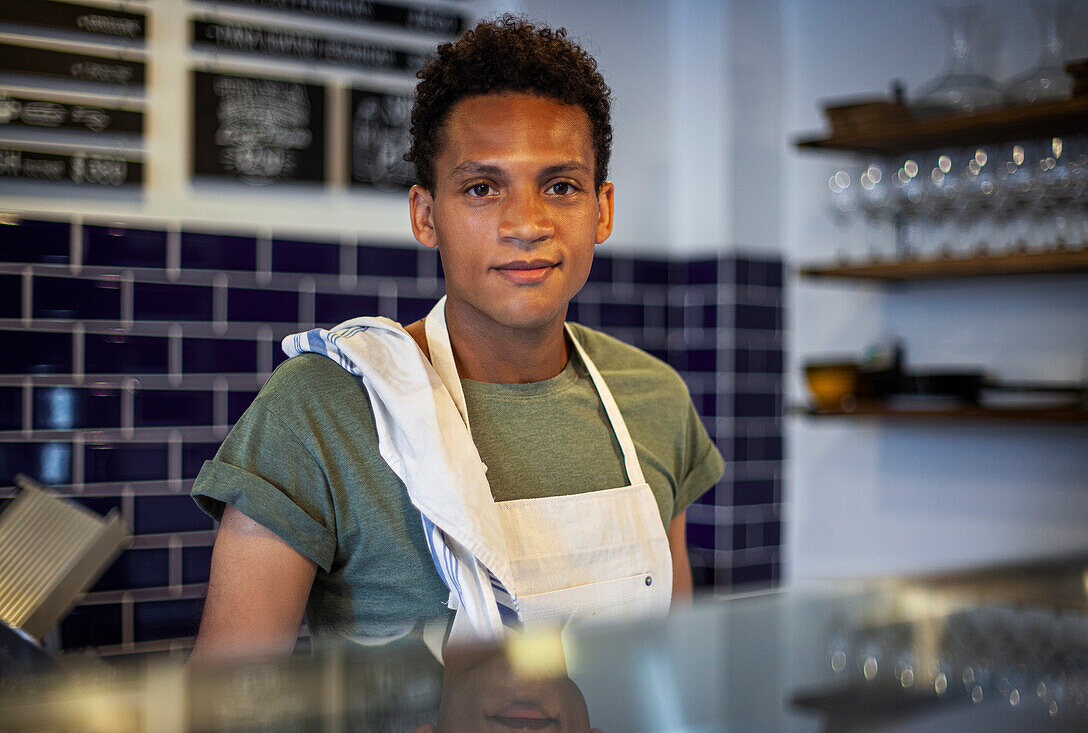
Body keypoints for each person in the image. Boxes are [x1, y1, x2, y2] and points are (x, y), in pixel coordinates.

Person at [189, 15, 724, 664]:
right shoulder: (322, 409)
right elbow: (226, 703)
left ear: (602, 209)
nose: (527, 224)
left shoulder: (655, 399)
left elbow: (675, 666)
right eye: (481, 187)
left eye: (560, 186)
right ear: (425, 213)